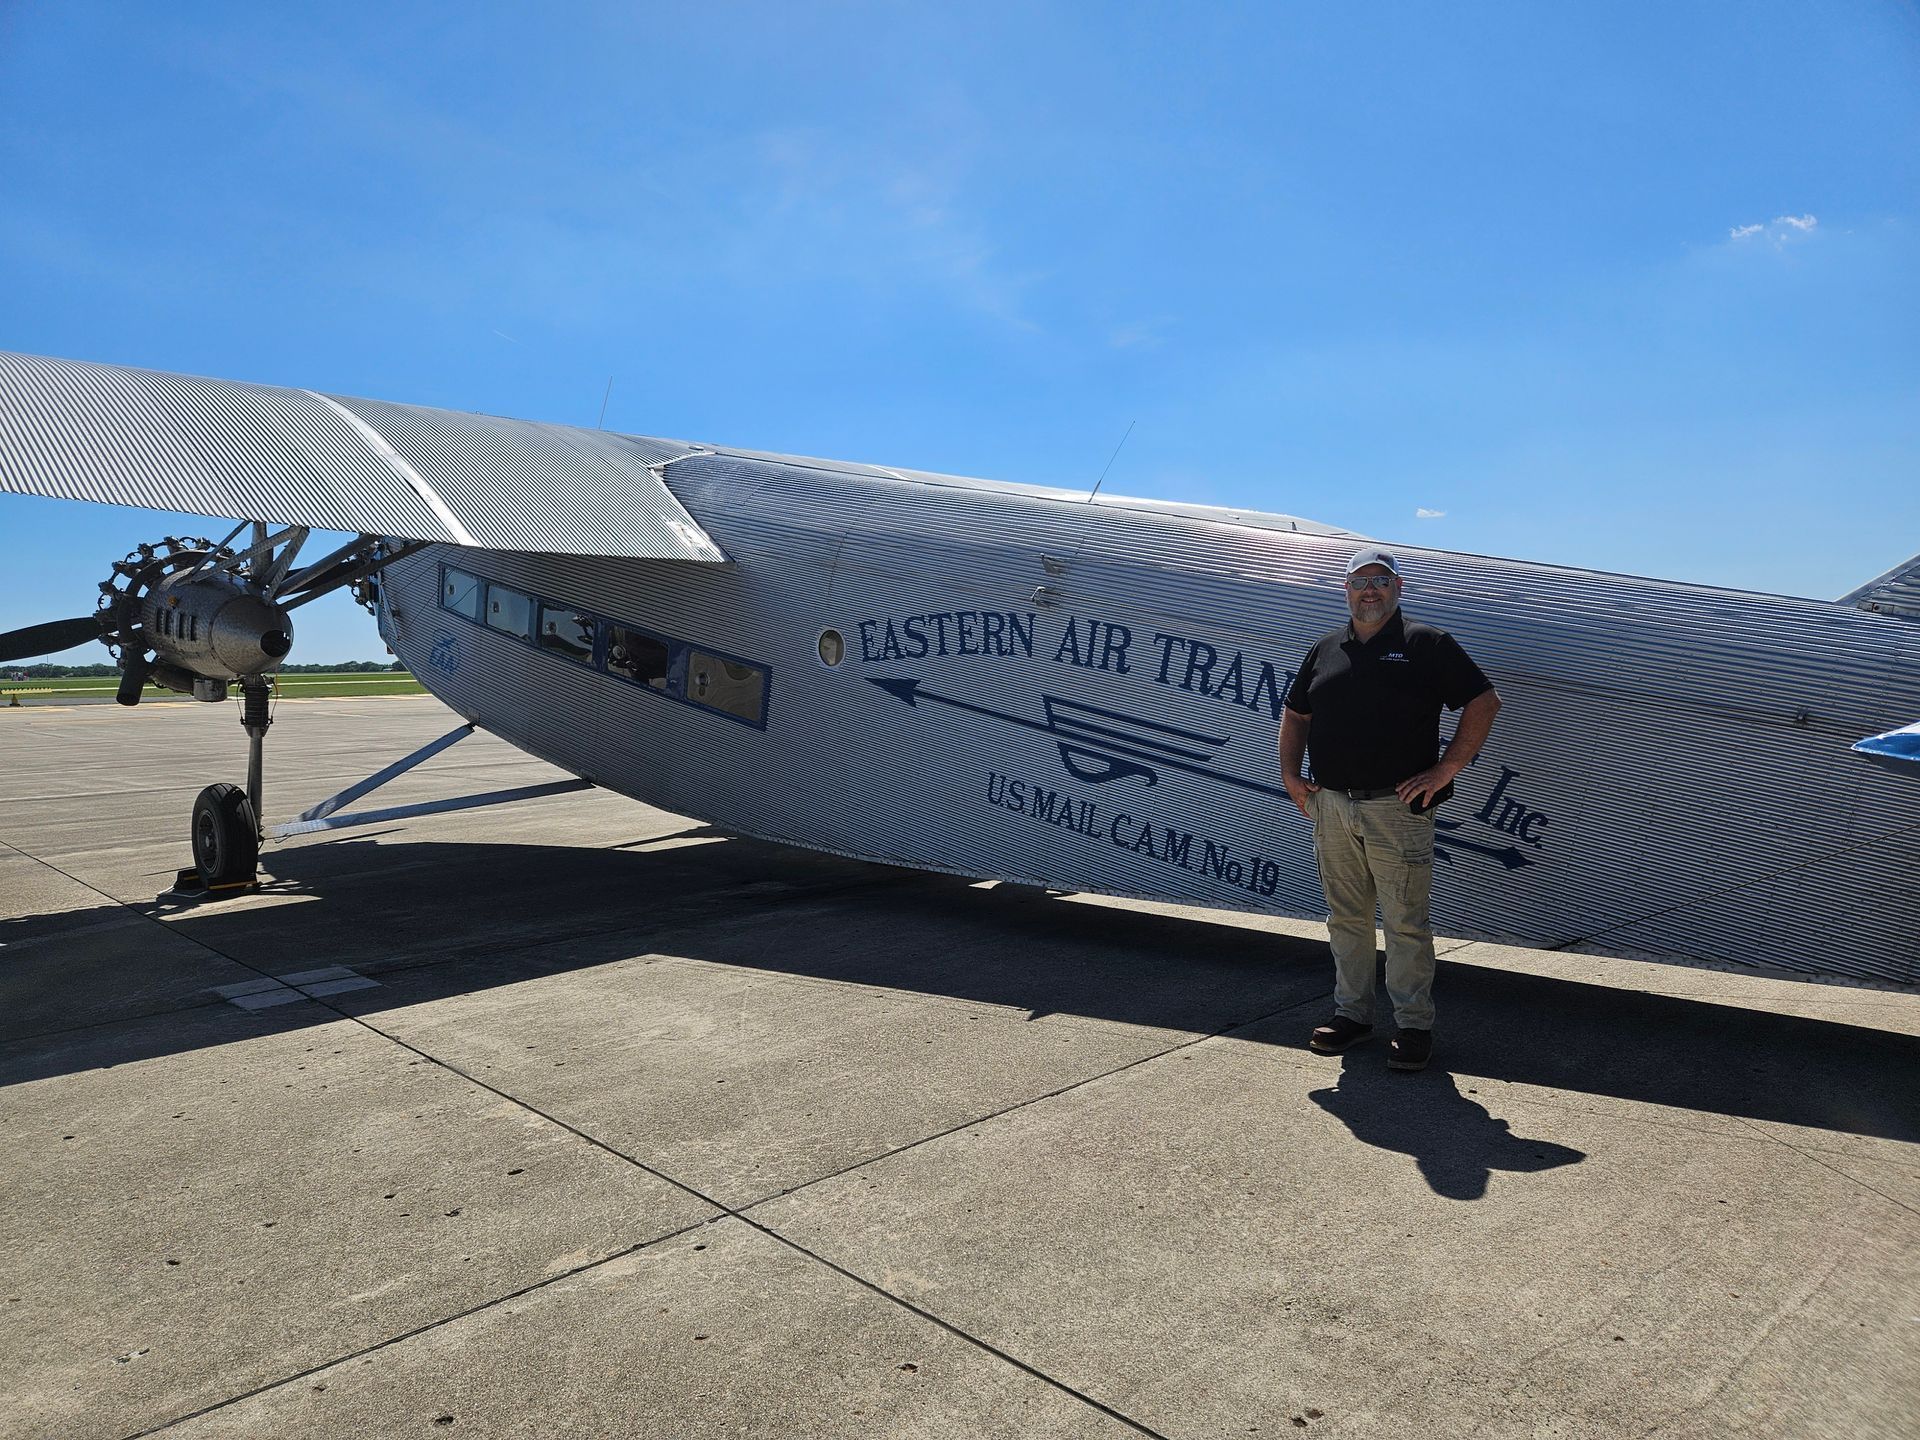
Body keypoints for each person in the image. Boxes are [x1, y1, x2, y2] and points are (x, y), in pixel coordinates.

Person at [1278, 547, 1501, 1072]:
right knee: (1346, 918)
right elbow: (1295, 713)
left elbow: (1483, 702)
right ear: (1346, 590)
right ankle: (1352, 1016)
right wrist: (1291, 776)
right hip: (1331, 806)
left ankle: (1413, 1026)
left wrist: (1445, 771)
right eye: (1361, 581)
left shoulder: (1426, 644)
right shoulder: (1325, 648)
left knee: (1405, 922)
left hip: (1396, 809)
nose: (1370, 590)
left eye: (1381, 580)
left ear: (1398, 588)